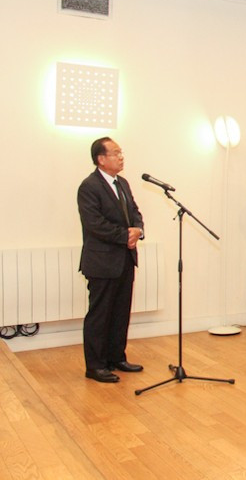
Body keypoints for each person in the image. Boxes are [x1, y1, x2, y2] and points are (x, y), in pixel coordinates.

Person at [77, 137, 145, 383]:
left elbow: (135, 212)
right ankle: (95, 366)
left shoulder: (123, 183)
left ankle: (116, 357)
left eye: (121, 152)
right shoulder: (89, 186)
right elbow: (94, 224)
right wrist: (124, 235)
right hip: (102, 262)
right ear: (101, 159)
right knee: (100, 314)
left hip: (125, 258)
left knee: (120, 312)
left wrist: (138, 229)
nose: (121, 156)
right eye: (116, 153)